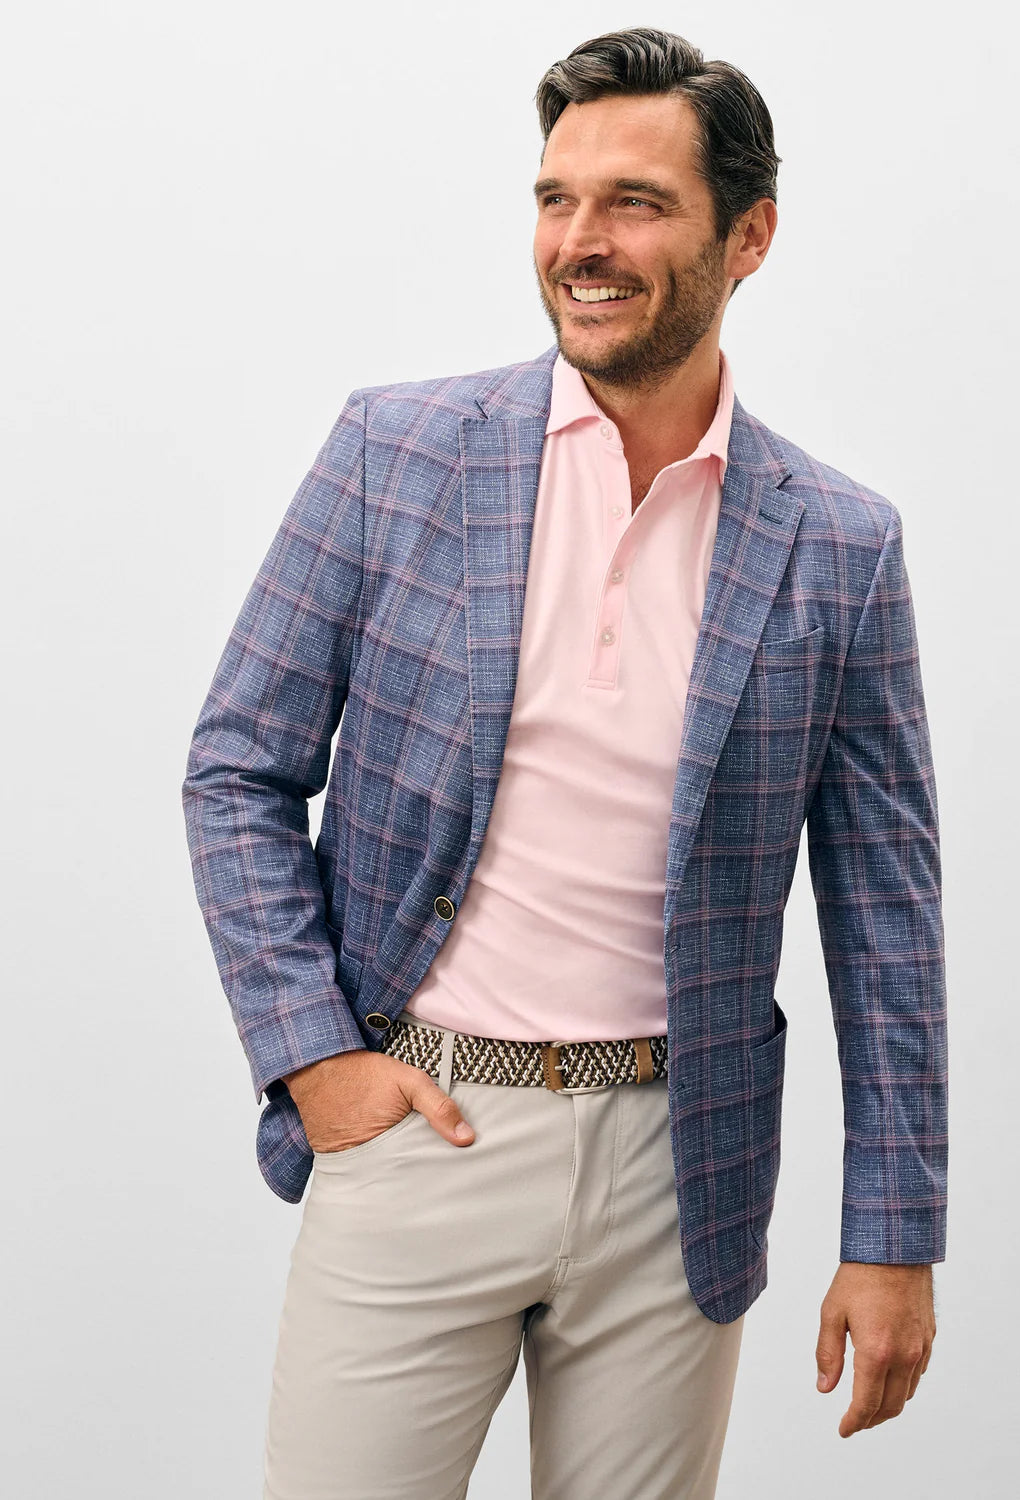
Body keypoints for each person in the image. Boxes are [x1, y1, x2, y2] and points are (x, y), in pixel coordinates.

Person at [181, 24, 947, 1499]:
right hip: (423, 1127)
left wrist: (895, 1232)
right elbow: (237, 767)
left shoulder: (840, 545)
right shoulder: (396, 452)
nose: (579, 243)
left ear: (750, 236)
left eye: (635, 204)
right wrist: (313, 1056)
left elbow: (886, 916)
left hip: (682, 1173)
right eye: (556, 199)